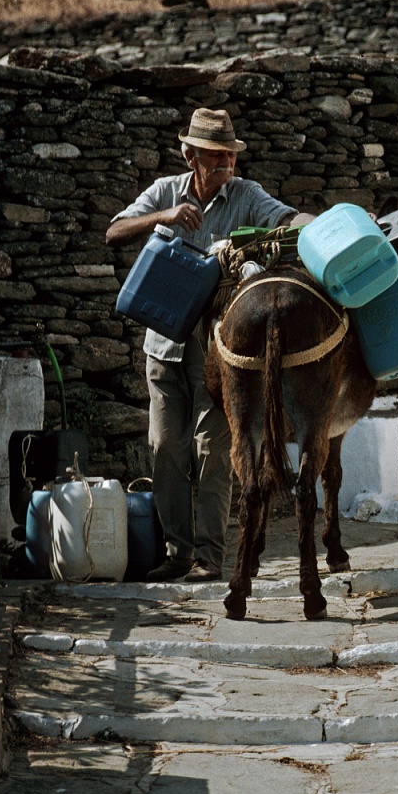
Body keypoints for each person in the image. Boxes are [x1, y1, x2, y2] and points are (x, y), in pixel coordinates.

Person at [107, 107, 299, 582]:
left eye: (230, 157)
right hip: (163, 342)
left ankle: (208, 556)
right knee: (165, 445)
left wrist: (333, 224)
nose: (225, 166)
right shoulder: (166, 193)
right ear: (189, 155)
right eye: (215, 157)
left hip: (219, 350)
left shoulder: (246, 195)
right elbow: (113, 231)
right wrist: (166, 216)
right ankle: (177, 551)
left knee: (213, 448)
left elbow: (289, 219)